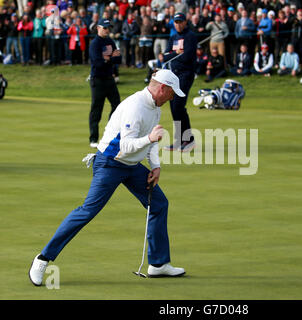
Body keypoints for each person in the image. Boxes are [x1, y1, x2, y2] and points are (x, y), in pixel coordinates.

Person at [28, 69, 187, 287]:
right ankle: (43, 259)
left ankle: (158, 264)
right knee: (88, 211)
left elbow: (151, 141)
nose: (172, 98)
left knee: (158, 203)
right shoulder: (135, 106)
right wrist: (150, 138)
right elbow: (126, 145)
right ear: (163, 88)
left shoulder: (156, 108)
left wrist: (156, 166)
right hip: (110, 163)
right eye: (171, 93)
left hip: (132, 166)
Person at [162, 12, 197, 152]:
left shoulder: (190, 36)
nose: (178, 24)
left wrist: (175, 56)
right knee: (173, 107)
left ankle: (189, 140)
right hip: (173, 75)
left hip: (186, 74)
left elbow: (188, 57)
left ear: (185, 22)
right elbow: (165, 56)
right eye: (175, 22)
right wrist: (176, 54)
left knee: (178, 105)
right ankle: (179, 140)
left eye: (180, 22)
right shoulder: (173, 37)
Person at [88, 18, 122, 148]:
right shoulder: (95, 44)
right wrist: (110, 59)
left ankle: (109, 133)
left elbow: (119, 58)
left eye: (108, 28)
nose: (107, 30)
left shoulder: (110, 41)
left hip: (109, 79)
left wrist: (108, 59)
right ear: (98, 28)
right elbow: (97, 62)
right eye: (105, 28)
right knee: (97, 109)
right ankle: (93, 138)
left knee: (117, 106)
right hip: (98, 79)